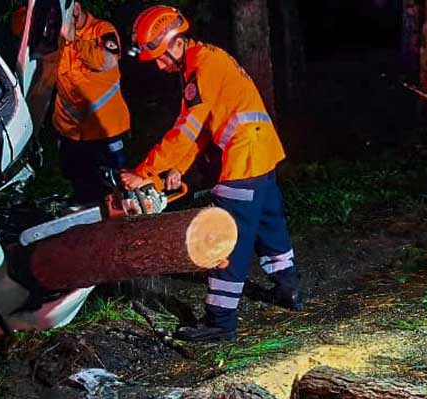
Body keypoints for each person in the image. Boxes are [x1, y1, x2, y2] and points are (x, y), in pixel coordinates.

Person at [121, 5, 303, 342]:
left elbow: (185, 130)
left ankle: (220, 321)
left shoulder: (202, 68)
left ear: (176, 41)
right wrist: (174, 169)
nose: (160, 66)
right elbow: (200, 130)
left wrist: (144, 172)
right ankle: (288, 289)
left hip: (242, 160)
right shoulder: (205, 62)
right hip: (260, 155)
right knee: (268, 223)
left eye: (161, 57)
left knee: (225, 238)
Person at [52, 2, 131, 204]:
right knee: (80, 186)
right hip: (71, 131)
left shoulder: (103, 30)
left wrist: (75, 40)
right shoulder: (53, 31)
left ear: (75, 7)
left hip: (106, 130)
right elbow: (20, 27)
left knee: (118, 188)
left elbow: (107, 61)